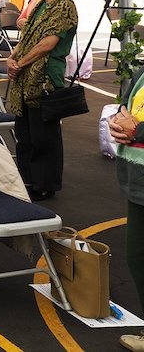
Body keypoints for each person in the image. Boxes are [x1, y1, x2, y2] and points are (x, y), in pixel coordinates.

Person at [6, 0, 77, 201]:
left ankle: (44, 183)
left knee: (43, 136)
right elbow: (27, 36)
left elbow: (48, 44)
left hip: (45, 77)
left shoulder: (64, 6)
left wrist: (19, 64)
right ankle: (27, 179)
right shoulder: (42, 4)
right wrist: (13, 57)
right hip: (26, 76)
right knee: (25, 133)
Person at [106, 74, 144, 352]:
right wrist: (119, 121)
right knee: (137, 256)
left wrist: (137, 130)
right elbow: (128, 109)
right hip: (138, 181)